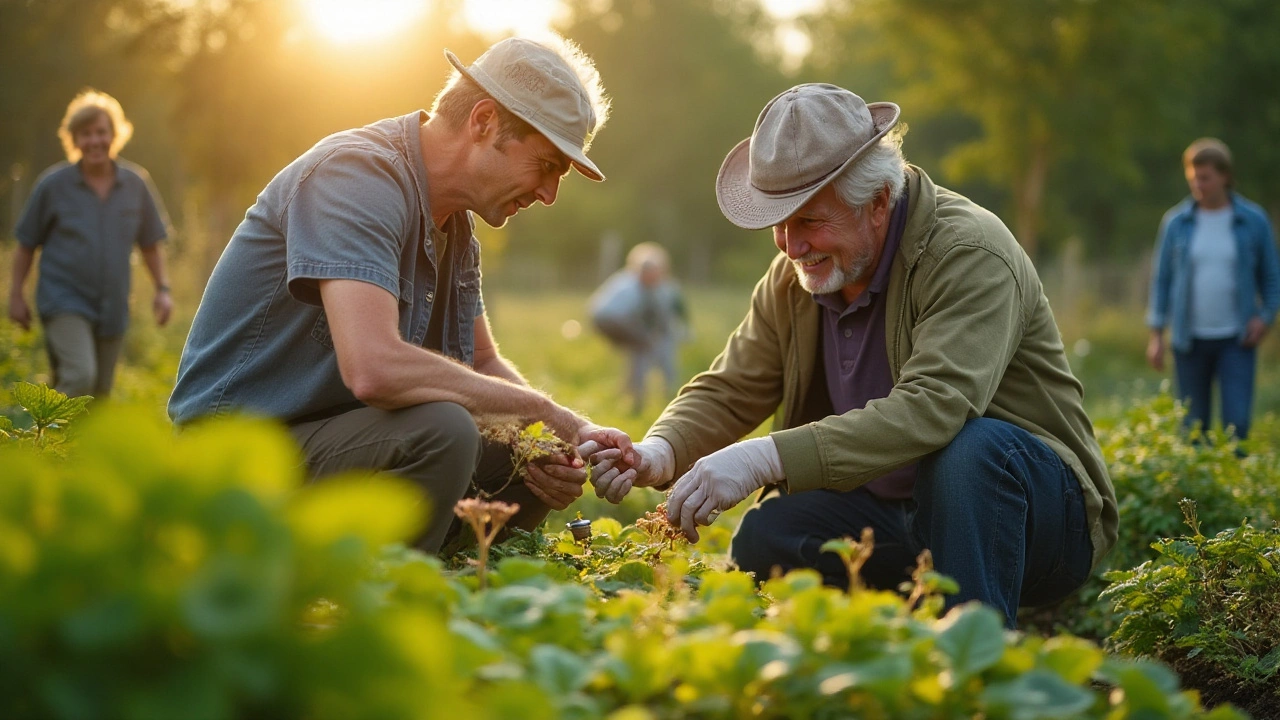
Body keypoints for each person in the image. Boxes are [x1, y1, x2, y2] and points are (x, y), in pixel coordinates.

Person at [580, 84, 1117, 628]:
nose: (791, 246)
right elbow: (733, 384)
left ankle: (973, 659)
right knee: (771, 535)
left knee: (970, 452)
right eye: (779, 224)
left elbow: (934, 406)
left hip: (1034, 523)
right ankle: (857, 658)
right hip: (899, 519)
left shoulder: (967, 254)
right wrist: (659, 451)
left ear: (878, 202)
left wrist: (763, 458)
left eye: (809, 221)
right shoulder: (797, 277)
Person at [169, 36, 612, 553]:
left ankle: (447, 585)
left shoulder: (457, 230)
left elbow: (485, 361)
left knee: (531, 451)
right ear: (484, 121)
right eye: (547, 166)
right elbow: (374, 367)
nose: (549, 195)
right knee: (444, 430)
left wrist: (570, 432)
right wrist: (538, 408)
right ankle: (390, 603)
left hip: (337, 443)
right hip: (237, 459)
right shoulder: (356, 177)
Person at [9, 89, 173, 398]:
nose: (94, 140)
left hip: (113, 305)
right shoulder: (52, 185)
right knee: (81, 376)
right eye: (85, 134)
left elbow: (151, 243)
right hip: (64, 299)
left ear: (115, 134)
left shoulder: (136, 184)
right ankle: (41, 437)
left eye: (101, 132)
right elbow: (26, 244)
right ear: (73, 139)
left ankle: (58, 443)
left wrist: (162, 290)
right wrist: (16, 294)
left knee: (98, 395)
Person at [1146, 138, 1280, 441]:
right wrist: (1156, 335)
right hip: (1188, 340)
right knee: (1193, 428)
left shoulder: (1253, 220)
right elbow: (1162, 280)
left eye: (1205, 177)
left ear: (1225, 176)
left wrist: (1266, 316)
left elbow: (1272, 277)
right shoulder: (1176, 222)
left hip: (1238, 338)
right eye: (1193, 178)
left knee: (1237, 424)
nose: (1198, 184)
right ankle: (1195, 490)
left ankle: (1235, 485)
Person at [589, 242, 688, 414]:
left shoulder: (654, 287)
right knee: (643, 346)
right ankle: (637, 397)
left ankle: (634, 393)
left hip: (613, 320)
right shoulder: (630, 287)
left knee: (641, 348)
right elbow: (624, 314)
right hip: (612, 320)